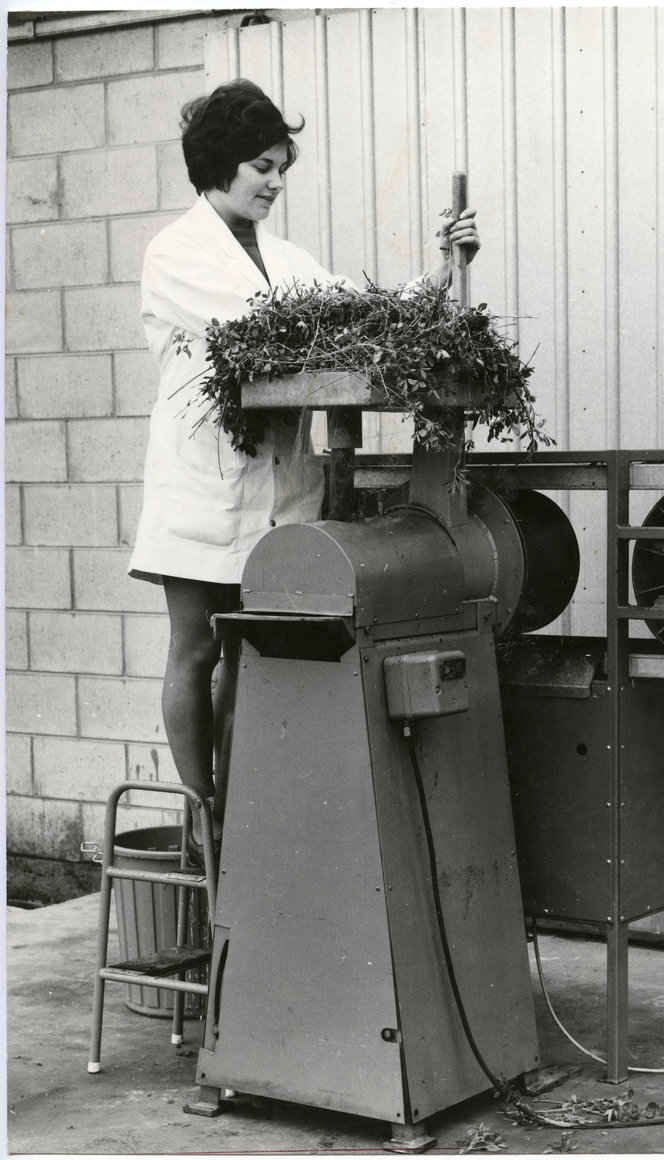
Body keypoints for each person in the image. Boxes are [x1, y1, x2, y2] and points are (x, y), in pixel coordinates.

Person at [128, 79, 480, 861]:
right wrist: (347, 315)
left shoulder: (286, 257)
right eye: (262, 166)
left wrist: (441, 268)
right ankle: (200, 813)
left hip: (282, 490)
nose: (276, 183)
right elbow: (269, 331)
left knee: (247, 658)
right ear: (220, 162)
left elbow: (358, 317)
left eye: (282, 167)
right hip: (206, 488)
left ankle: (239, 808)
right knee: (194, 648)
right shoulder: (175, 253)